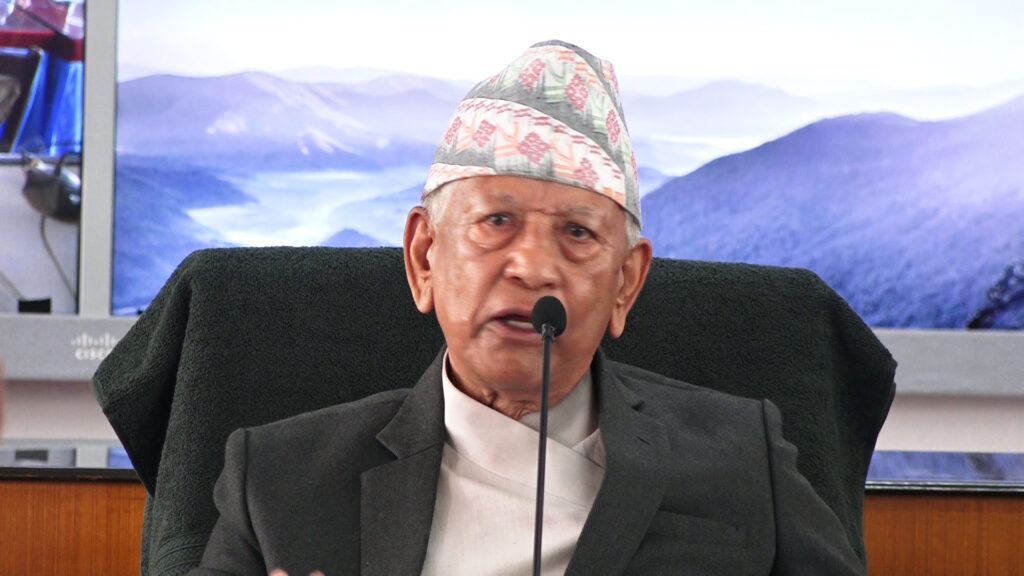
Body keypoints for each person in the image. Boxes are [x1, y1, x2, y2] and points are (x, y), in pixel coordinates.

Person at [191, 40, 865, 575]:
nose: (534, 267)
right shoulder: (281, 477)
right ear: (424, 256)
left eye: (577, 233)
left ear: (626, 284)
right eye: (497, 222)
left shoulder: (741, 455)